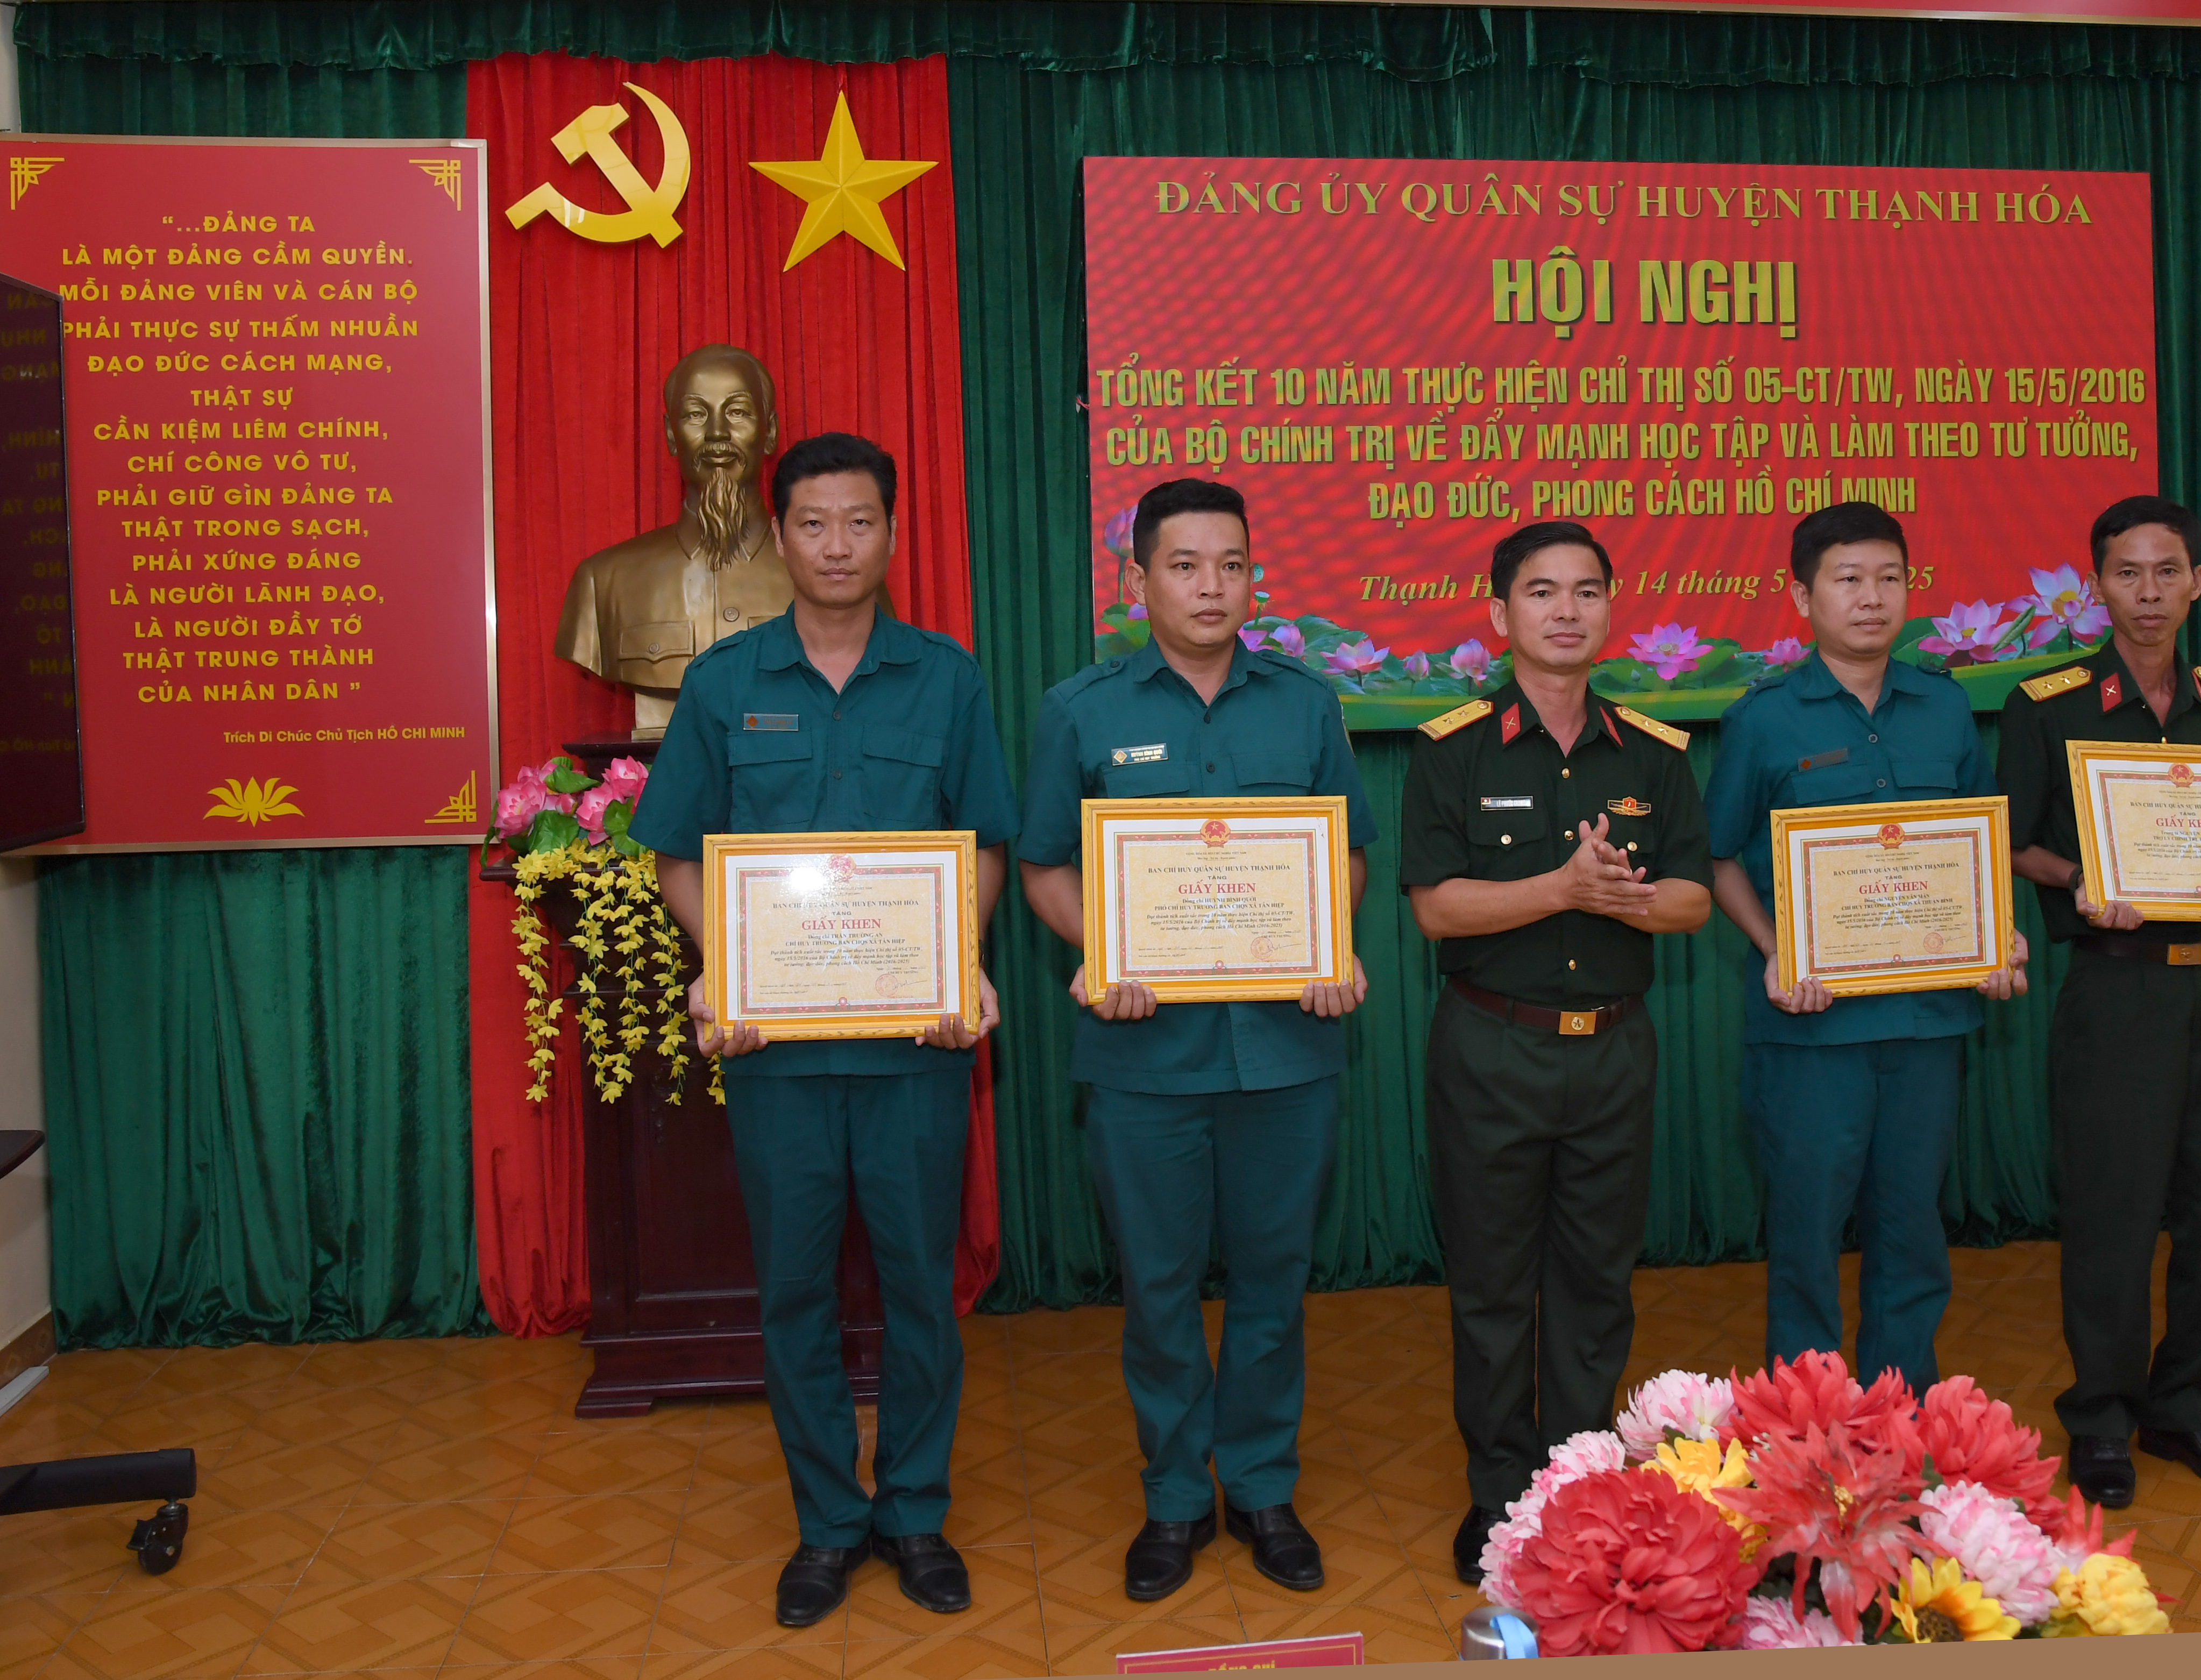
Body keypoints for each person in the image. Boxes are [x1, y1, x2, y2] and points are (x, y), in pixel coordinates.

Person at [633, 432, 1016, 1624]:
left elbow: (983, 844)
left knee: (919, 1290)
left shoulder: (947, 678)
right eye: (812, 522)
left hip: (914, 1054)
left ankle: (913, 1512)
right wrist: (726, 966)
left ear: (892, 533)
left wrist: (957, 957)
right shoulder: (723, 682)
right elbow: (676, 854)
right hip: (779, 1058)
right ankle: (826, 1524)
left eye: (859, 521)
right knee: (794, 1292)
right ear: (780, 533)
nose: (837, 545)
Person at [1016, 478, 1373, 1603]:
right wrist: (1102, 949)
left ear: (1253, 578)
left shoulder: (1305, 705)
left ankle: (1261, 1486)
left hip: (1285, 1052)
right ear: (1137, 581)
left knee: (1273, 1281)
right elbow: (1042, 866)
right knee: (1160, 1287)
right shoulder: (1078, 710)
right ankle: (1175, 1494)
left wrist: (1330, 942)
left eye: (1230, 565)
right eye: (1183, 565)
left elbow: (1345, 851)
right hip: (1144, 1058)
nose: (1209, 586)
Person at [1396, 519, 1714, 1586]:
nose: (1566, 609)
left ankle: (1576, 1484)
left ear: (1610, 609)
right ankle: (1500, 1496)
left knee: (1594, 1284)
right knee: (1491, 1288)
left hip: (1614, 1051)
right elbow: (1437, 908)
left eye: (1586, 590)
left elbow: (1692, 898)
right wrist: (1563, 888)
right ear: (1500, 614)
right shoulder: (1451, 748)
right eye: (1541, 591)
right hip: (1492, 1046)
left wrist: (1626, 898)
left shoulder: (1655, 753)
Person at [1999, 494, 2201, 1508]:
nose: (2148, 592)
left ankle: (2184, 1401)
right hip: (2117, 986)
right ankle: (2100, 1414)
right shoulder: (2047, 702)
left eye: (2167, 571)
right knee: (2112, 1206)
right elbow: (2012, 841)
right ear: (2097, 585)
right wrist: (2077, 880)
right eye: (2127, 573)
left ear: (2198, 582)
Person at [1703, 501, 2029, 1402]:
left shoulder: (1946, 706)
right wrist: (1775, 947)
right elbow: (1716, 856)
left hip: (1927, 1025)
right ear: (1801, 595)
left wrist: (1994, 933)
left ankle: (1905, 1419)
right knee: (1806, 1239)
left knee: (1911, 1235)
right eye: (1847, 579)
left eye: (1889, 578)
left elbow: (1978, 842)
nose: (1871, 597)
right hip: (1811, 1033)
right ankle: (1801, 1430)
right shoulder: (1764, 719)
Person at [555, 344, 796, 736]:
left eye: (737, 412)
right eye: (696, 414)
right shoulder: (603, 582)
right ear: (671, 435)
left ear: (769, 432)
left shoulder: (832, 577)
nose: (717, 433)